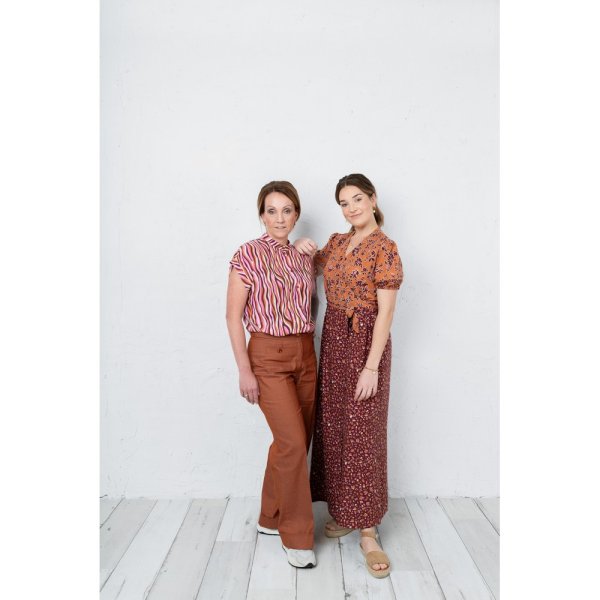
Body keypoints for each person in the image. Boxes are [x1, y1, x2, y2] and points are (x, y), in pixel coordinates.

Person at [296, 173, 403, 579]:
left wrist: (371, 366)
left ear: (373, 199)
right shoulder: (338, 243)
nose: (351, 208)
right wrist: (302, 247)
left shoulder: (385, 248)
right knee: (336, 428)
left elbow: (386, 312)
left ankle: (369, 531)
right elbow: (310, 266)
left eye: (357, 199)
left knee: (363, 433)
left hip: (365, 345)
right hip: (335, 341)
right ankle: (344, 511)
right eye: (344, 202)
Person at [226, 181, 318, 568]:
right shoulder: (247, 254)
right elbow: (233, 316)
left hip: (305, 353)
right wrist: (244, 370)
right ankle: (296, 537)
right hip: (267, 356)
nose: (279, 218)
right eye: (271, 210)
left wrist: (309, 252)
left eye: (287, 210)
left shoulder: (303, 256)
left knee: (293, 442)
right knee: (293, 443)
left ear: (296, 215)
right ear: (261, 215)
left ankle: (270, 516)